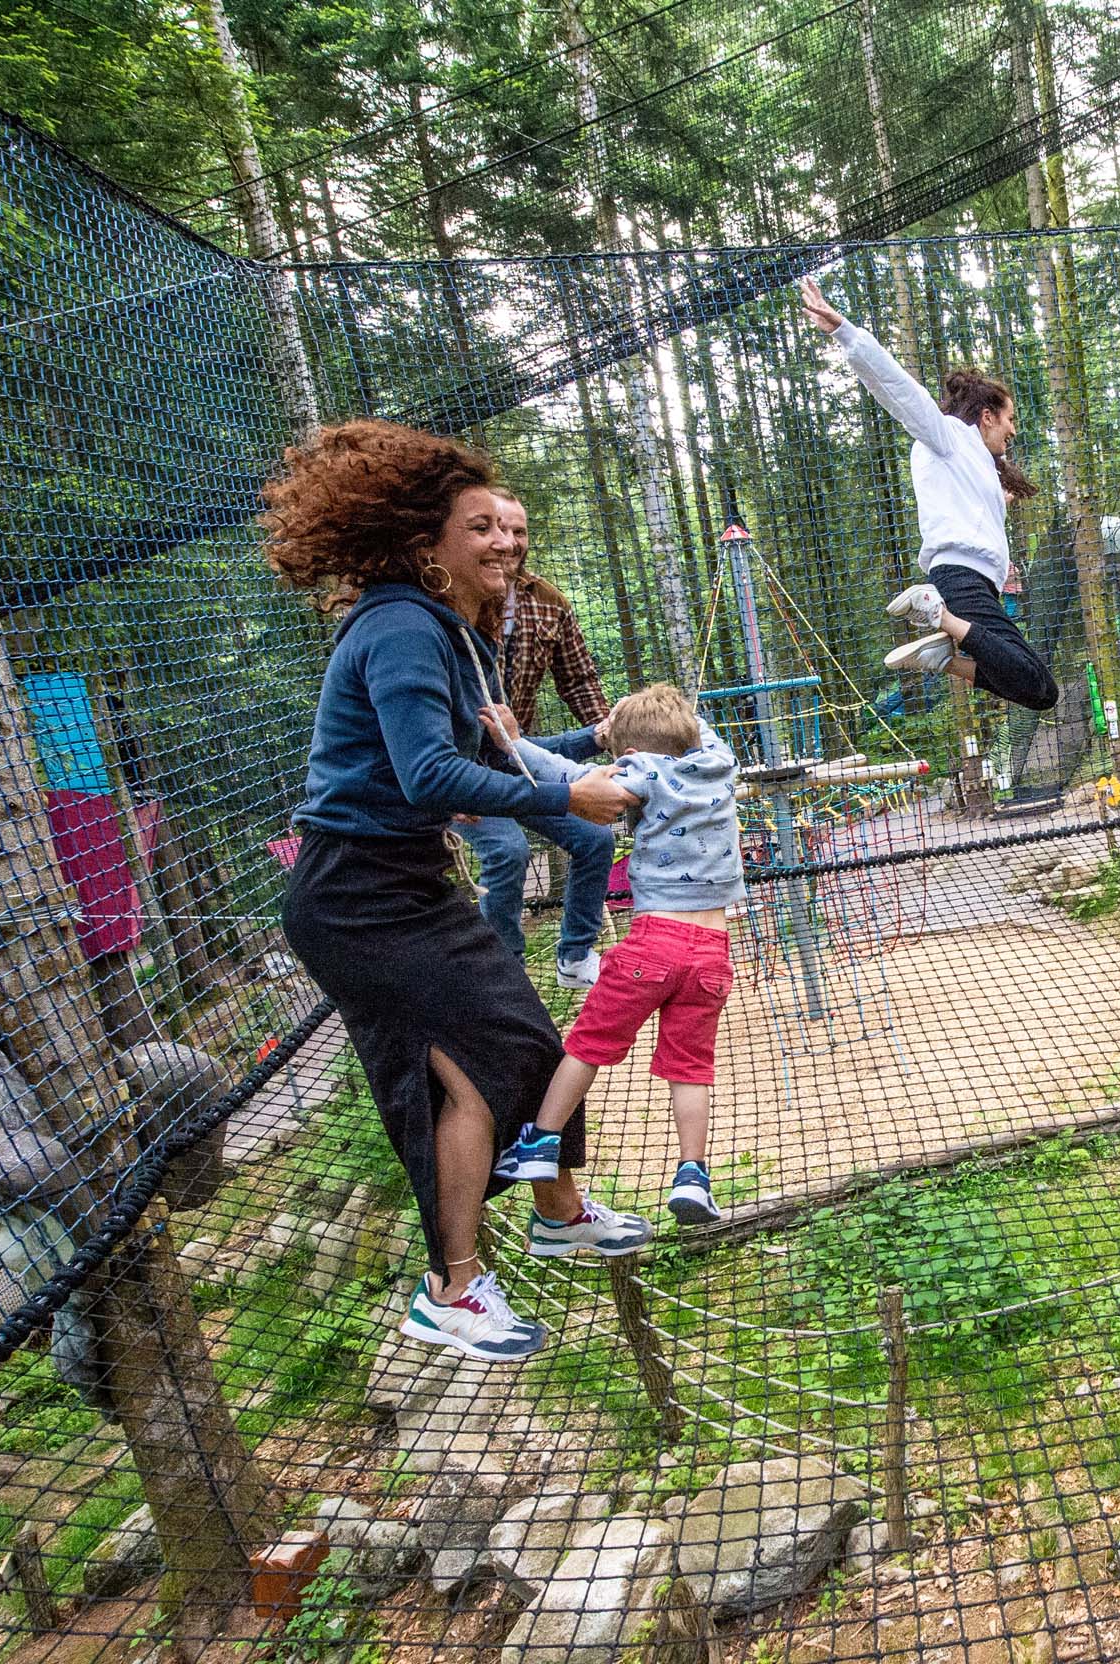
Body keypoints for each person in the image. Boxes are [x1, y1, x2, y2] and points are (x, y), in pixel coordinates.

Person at [268, 420, 645, 1364]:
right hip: (359, 898)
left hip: (406, 887)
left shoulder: (448, 632)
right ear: (423, 541)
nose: (505, 544)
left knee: (523, 1047)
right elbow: (431, 776)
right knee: (464, 1075)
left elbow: (487, 757)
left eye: (511, 530)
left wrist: (594, 755)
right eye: (479, 527)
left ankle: (558, 1215)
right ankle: (451, 1290)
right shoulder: (400, 626)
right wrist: (563, 794)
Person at [483, 684, 743, 1228]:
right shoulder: (720, 762)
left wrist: (514, 743)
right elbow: (698, 730)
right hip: (713, 955)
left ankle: (540, 1143)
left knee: (588, 1044)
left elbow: (573, 781)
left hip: (656, 942)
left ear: (629, 756)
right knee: (690, 1067)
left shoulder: (641, 777)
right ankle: (693, 1173)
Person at [797, 276, 1059, 711]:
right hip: (961, 579)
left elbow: (970, 507)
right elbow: (901, 392)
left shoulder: (971, 463)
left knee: (1038, 692)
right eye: (1010, 418)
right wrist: (846, 332)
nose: (1013, 429)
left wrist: (1002, 502)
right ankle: (936, 615)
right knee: (1036, 684)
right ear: (988, 415)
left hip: (974, 582)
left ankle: (943, 658)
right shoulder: (949, 437)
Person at [456, 491, 616, 989]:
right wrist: (451, 784)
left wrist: (612, 734)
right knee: (507, 852)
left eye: (518, 531)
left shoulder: (547, 602)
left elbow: (580, 680)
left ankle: (574, 955)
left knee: (594, 837)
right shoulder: (456, 599)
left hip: (513, 757)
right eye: (494, 529)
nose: (508, 542)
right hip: (455, 763)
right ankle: (507, 973)